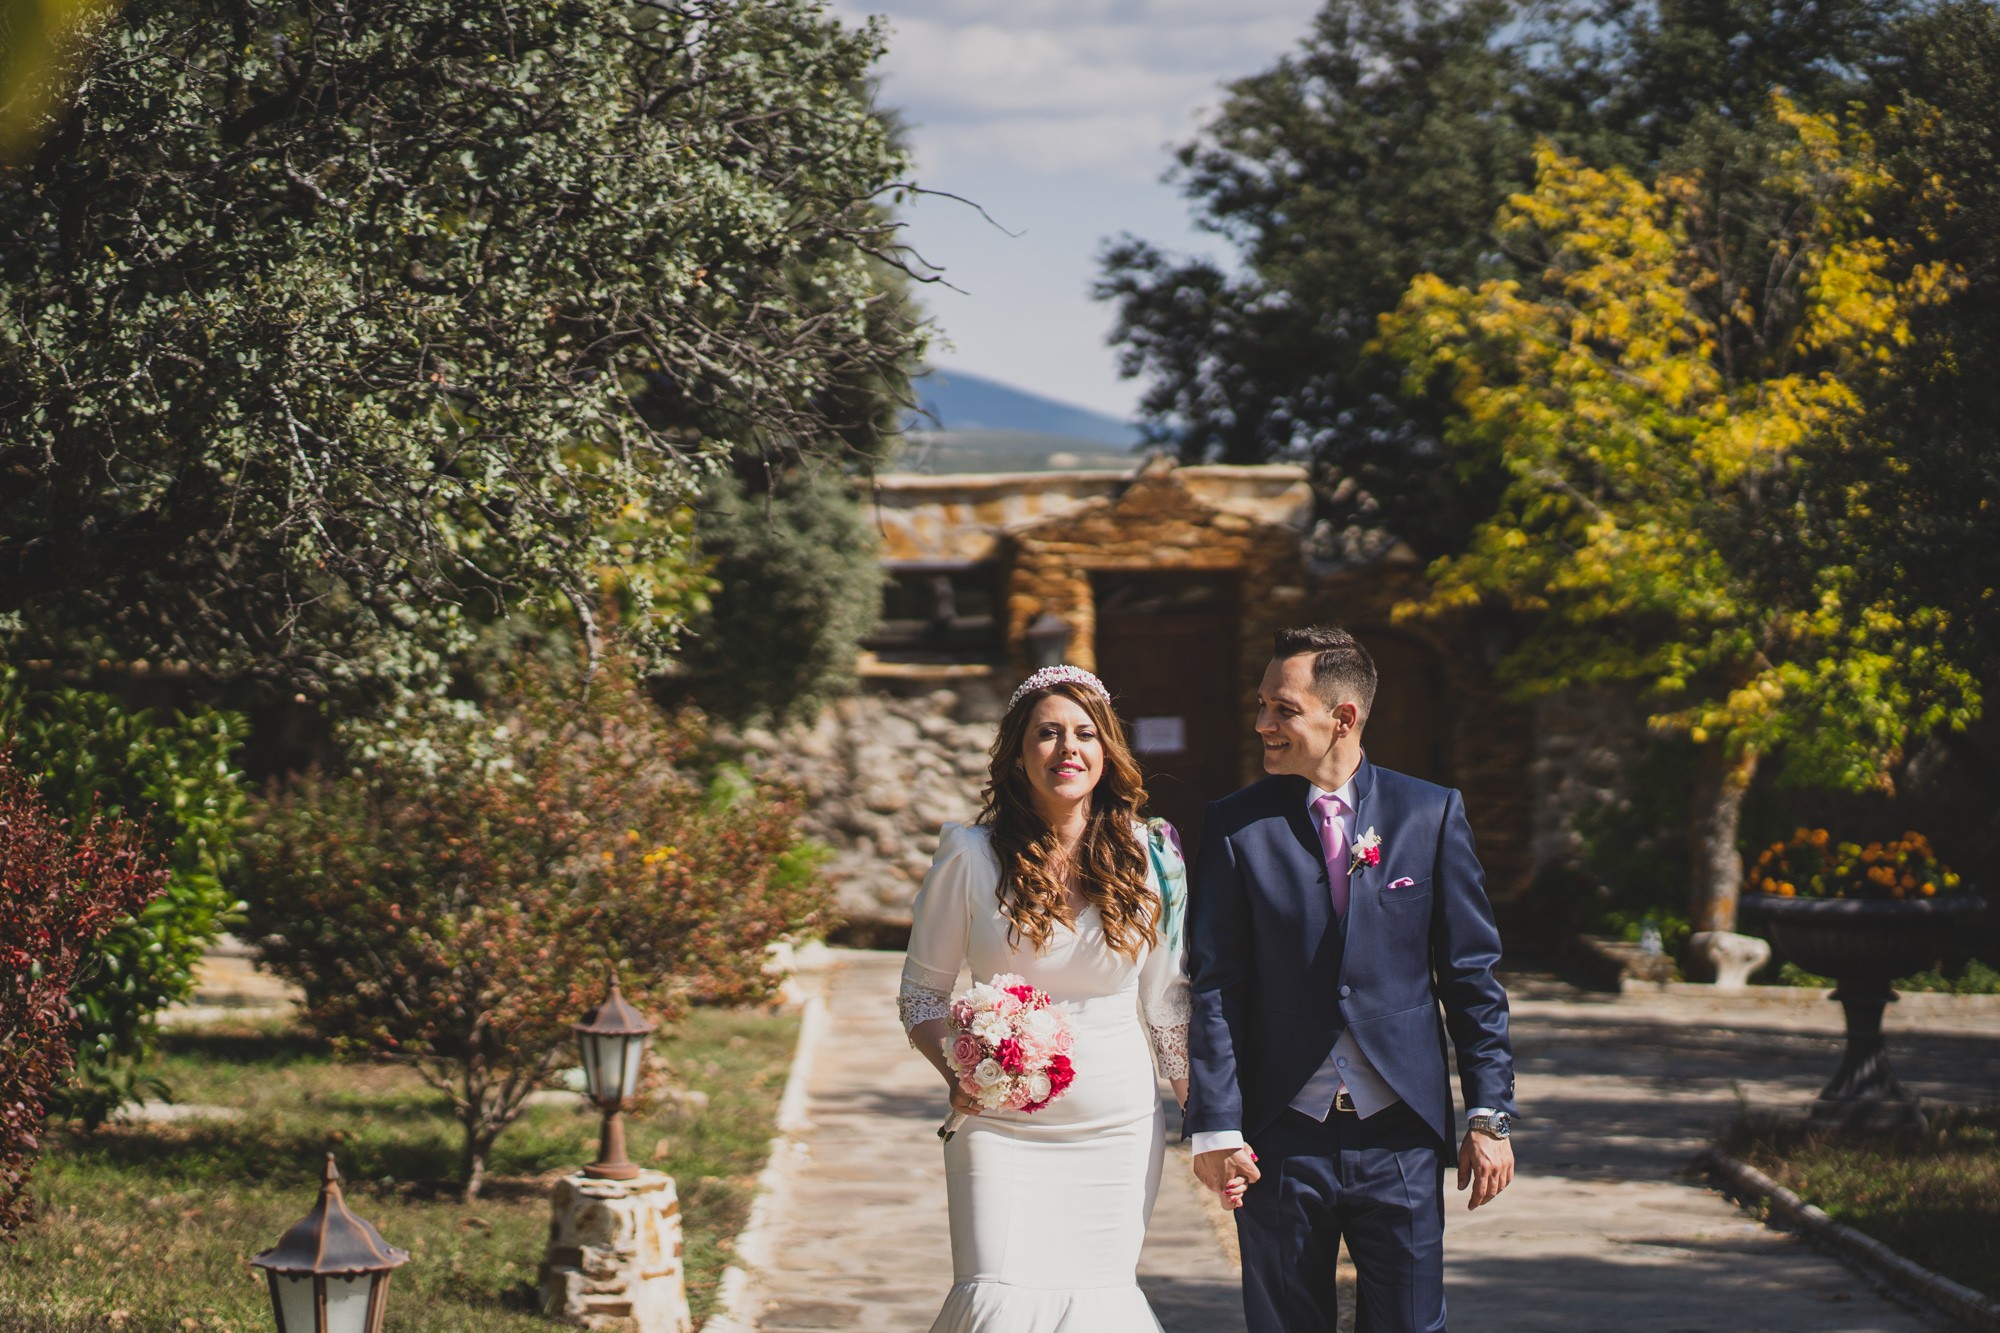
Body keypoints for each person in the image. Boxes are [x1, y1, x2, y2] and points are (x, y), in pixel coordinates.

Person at [1186, 625, 1517, 1333]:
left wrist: (1489, 1114)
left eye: (1281, 708)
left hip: (1398, 1132)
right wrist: (1215, 1123)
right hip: (1279, 1136)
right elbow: (1215, 986)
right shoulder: (1235, 826)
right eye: (1261, 705)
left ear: (1343, 718)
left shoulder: (1430, 813)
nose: (1262, 723)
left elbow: (1471, 977)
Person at [898, 664, 1191, 1332]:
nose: (1068, 748)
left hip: (1115, 1127)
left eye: (1085, 733)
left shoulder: (1151, 855)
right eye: (1048, 733)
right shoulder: (970, 855)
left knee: (1099, 1303)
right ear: (1018, 752)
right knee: (997, 1296)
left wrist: (1209, 1115)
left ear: (1107, 750)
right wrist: (959, 1069)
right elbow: (921, 994)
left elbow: (1169, 999)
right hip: (999, 1127)